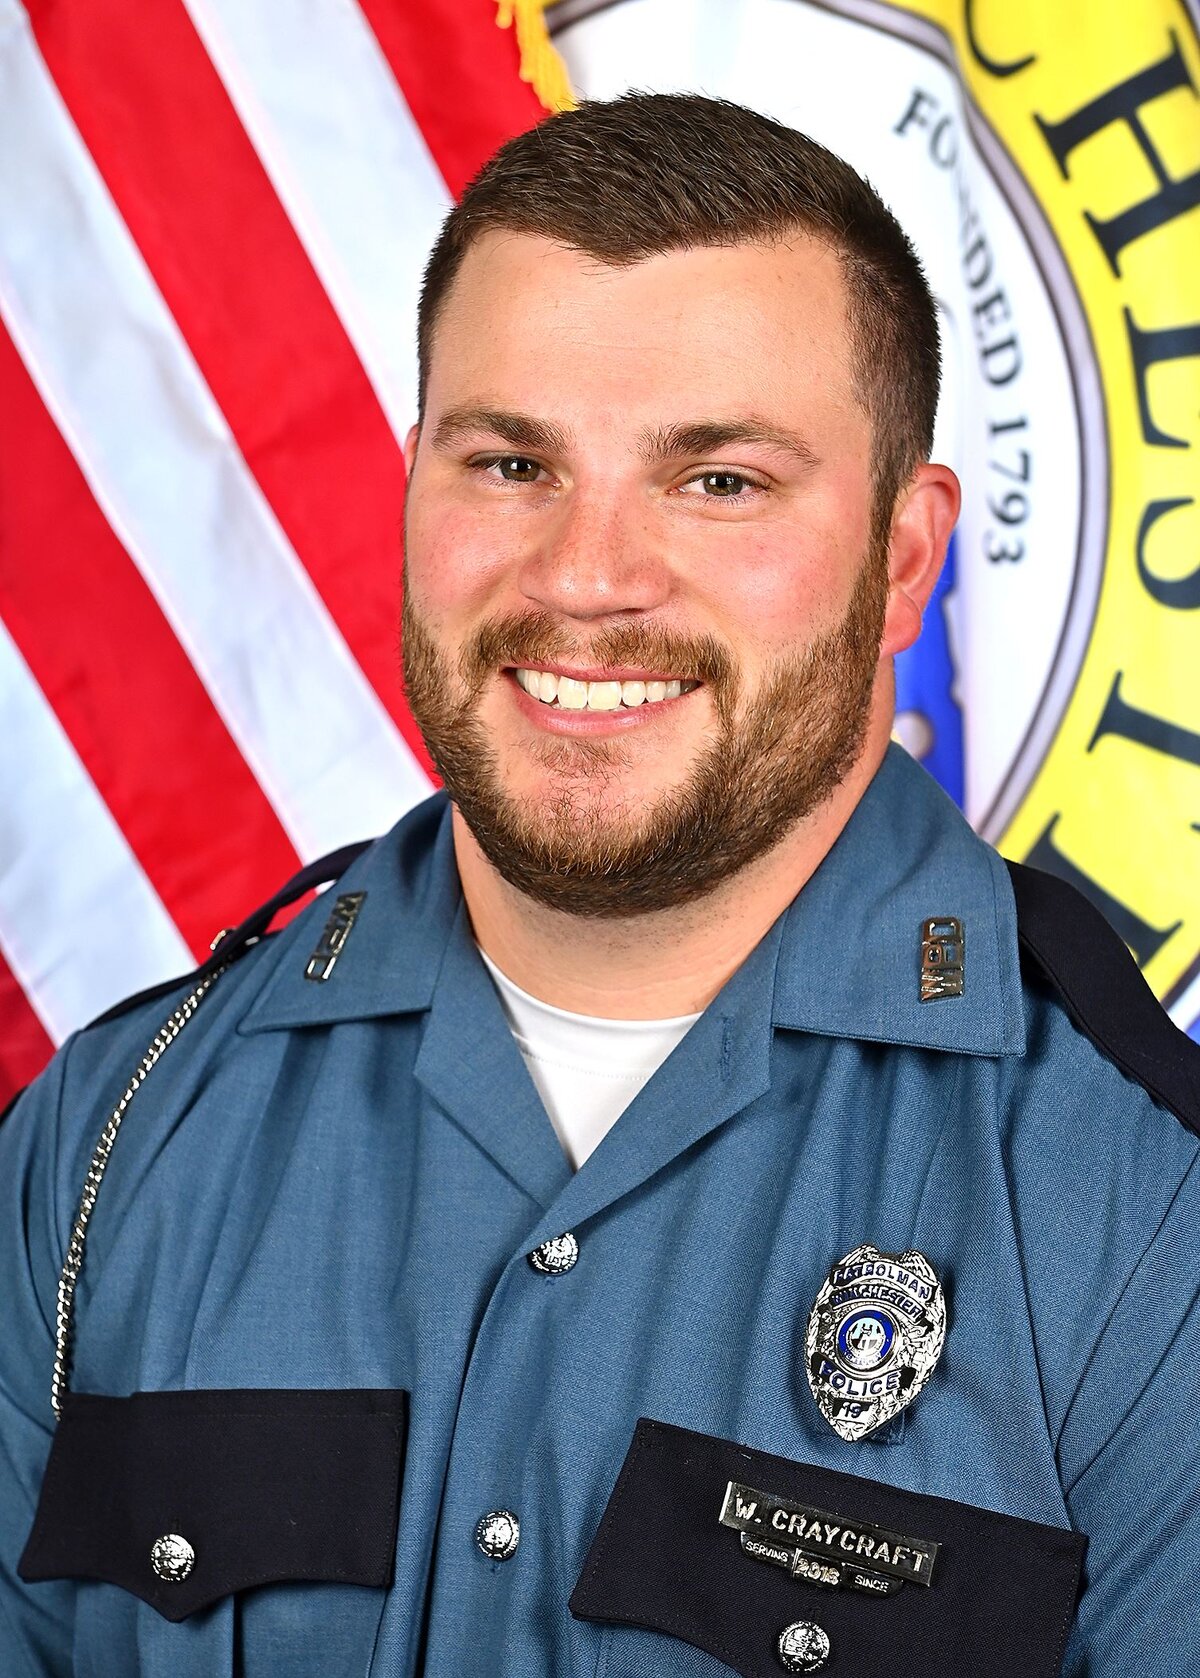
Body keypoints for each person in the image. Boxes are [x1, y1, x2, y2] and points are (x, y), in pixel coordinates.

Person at [1, 93, 1196, 1678]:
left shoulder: (1144, 1213)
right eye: (510, 462)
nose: (582, 577)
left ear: (905, 559)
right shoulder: (106, 1140)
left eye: (720, 482)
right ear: (413, 480)